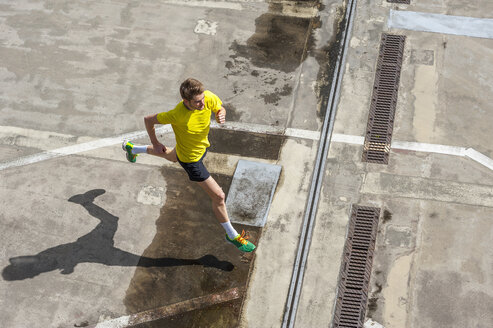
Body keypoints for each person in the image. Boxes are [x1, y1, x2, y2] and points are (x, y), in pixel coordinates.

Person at [122, 78, 255, 252]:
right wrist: (155, 142)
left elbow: (218, 107)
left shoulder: (207, 98)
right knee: (219, 197)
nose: (202, 104)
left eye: (202, 99)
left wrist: (220, 112)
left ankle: (133, 149)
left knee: (170, 156)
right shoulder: (177, 114)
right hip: (190, 160)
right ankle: (232, 235)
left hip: (199, 148)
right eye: (197, 102)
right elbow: (148, 120)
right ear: (186, 101)